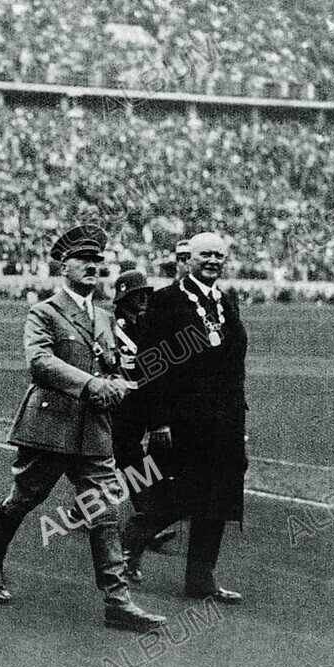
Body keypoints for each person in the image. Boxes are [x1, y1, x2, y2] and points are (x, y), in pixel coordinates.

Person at [0, 224, 167, 633]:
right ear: (65, 266)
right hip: (50, 426)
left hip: (93, 431)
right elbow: (39, 363)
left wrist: (118, 380)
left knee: (106, 510)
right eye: (85, 261)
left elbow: (111, 364)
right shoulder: (44, 311)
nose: (94, 267)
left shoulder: (104, 315)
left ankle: (117, 599)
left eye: (99, 262)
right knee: (23, 500)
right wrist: (94, 384)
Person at [123, 232, 246, 604]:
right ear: (188, 259)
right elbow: (150, 364)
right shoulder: (166, 301)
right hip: (182, 420)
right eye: (205, 254)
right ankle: (128, 549)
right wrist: (158, 420)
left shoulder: (227, 300)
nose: (212, 261)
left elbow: (234, 365)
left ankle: (201, 577)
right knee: (178, 495)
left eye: (218, 255)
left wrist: (240, 423)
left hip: (224, 420)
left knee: (219, 495)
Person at [109, 270, 175, 576]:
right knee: (125, 460)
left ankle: (143, 513)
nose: (144, 299)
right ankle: (143, 515)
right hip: (120, 403)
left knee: (131, 462)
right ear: (124, 298)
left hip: (139, 403)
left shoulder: (145, 324)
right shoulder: (115, 326)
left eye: (146, 294)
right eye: (138, 295)